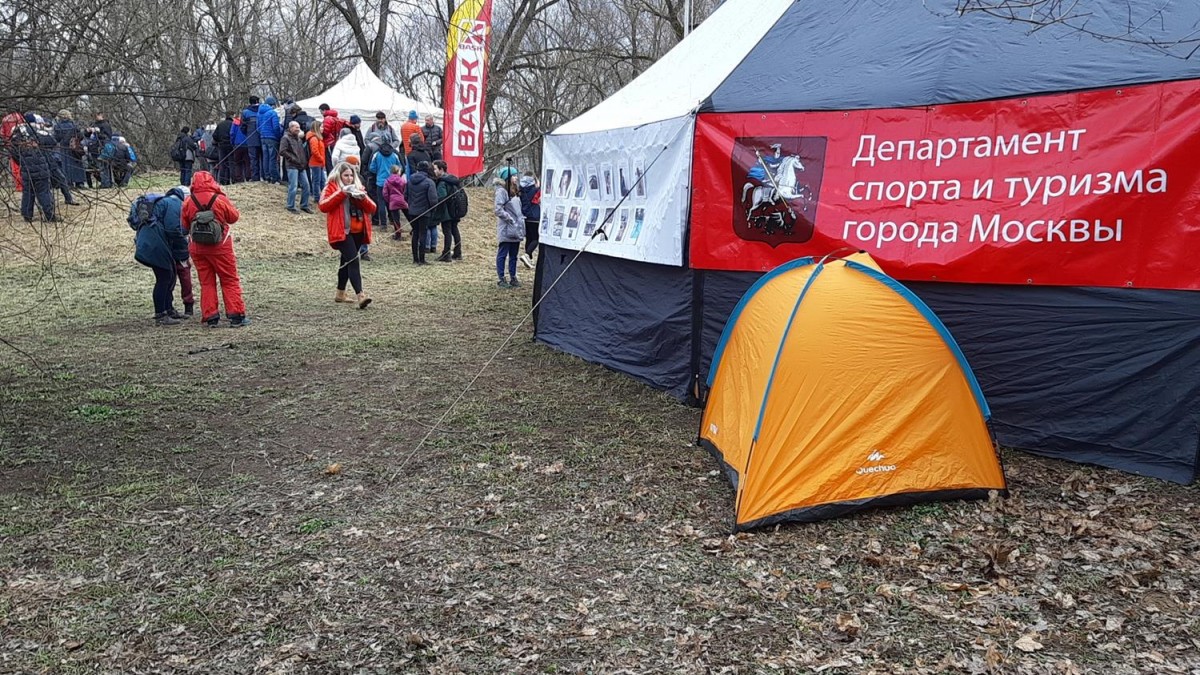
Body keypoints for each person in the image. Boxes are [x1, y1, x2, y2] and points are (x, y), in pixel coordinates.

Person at [180, 171, 249, 327]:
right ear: (212, 181)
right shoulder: (219, 199)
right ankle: (236, 315)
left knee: (206, 282)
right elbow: (234, 217)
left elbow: (183, 227)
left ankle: (210, 316)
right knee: (229, 280)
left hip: (197, 248)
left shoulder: (188, 201)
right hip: (221, 246)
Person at [318, 161, 375, 309]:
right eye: (346, 175)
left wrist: (362, 197)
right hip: (341, 231)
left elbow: (372, 208)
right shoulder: (331, 187)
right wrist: (342, 193)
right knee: (353, 260)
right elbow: (323, 206)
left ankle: (340, 293)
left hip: (358, 231)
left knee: (346, 261)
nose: (349, 178)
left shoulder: (358, 187)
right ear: (339, 175)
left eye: (351, 175)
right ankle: (360, 295)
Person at [129, 188, 190, 325]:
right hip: (155, 242)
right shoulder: (175, 204)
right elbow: (173, 228)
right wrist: (185, 245)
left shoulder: (165, 202)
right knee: (164, 277)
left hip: (149, 241)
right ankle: (160, 315)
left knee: (169, 275)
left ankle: (169, 309)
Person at [12, 115, 56, 222]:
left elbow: (13, 153)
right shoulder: (38, 131)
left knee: (28, 192)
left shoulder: (16, 134)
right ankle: (49, 215)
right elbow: (52, 142)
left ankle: (27, 215)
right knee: (44, 192)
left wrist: (22, 161)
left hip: (26, 168)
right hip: (41, 167)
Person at [494, 166, 525, 287]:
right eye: (513, 176)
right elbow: (498, 209)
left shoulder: (515, 190)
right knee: (503, 253)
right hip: (507, 228)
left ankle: (513, 276)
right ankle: (501, 278)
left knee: (514, 255)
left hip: (516, 227)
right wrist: (510, 219)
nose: (516, 178)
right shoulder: (501, 191)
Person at [406, 161, 438, 265]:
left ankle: (415, 259)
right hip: (425, 212)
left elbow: (405, 196)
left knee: (415, 233)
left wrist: (411, 206)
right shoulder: (429, 182)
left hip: (412, 211)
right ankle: (422, 259)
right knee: (423, 234)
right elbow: (433, 200)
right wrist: (432, 210)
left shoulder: (410, 181)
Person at [279, 121, 313, 213]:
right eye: (296, 127)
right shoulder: (285, 138)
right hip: (292, 166)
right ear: (291, 128)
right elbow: (282, 151)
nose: (298, 129)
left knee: (306, 186)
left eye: (298, 127)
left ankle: (304, 205)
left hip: (301, 165)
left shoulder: (298, 138)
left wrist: (304, 161)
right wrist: (293, 158)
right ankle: (290, 206)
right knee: (293, 187)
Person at [433, 160, 463, 262]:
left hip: (446, 211)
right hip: (455, 209)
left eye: (435, 169)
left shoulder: (442, 182)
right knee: (455, 230)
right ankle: (458, 252)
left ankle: (446, 254)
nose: (434, 171)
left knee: (447, 232)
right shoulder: (452, 179)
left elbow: (442, 197)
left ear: (441, 169)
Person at [367, 142, 401, 229]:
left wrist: (378, 172)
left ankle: (383, 224)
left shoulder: (377, 155)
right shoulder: (394, 155)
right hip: (392, 182)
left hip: (380, 182)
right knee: (392, 202)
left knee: (381, 202)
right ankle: (394, 222)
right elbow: (400, 166)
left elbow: (371, 168)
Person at [52, 109, 86, 189]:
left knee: (66, 166)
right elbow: (81, 136)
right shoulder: (74, 125)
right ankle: (80, 183)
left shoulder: (57, 126)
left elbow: (57, 138)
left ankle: (69, 183)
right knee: (77, 165)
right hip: (75, 147)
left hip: (64, 148)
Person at [518, 171, 541, 269]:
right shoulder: (535, 190)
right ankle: (527, 254)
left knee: (529, 238)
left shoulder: (521, 190)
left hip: (525, 217)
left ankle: (529, 259)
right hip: (535, 217)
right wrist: (538, 185)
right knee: (536, 238)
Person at [258, 96, 283, 183]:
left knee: (265, 157)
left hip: (262, 137)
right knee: (272, 158)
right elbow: (276, 127)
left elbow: (258, 127)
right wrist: (278, 136)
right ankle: (274, 177)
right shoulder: (273, 113)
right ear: (273, 105)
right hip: (272, 138)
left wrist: (262, 134)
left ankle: (266, 176)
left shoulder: (259, 113)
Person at [381, 164, 408, 241]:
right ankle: (415, 229)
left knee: (396, 219)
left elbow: (385, 193)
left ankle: (398, 235)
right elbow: (405, 190)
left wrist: (389, 200)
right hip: (402, 199)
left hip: (393, 201)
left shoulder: (387, 181)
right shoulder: (402, 180)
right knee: (409, 216)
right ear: (398, 171)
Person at [320, 104, 347, 169]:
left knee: (329, 163)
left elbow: (325, 132)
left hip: (328, 143)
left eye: (321, 111)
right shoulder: (336, 118)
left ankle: (331, 174)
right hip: (335, 141)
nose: (321, 113)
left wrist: (320, 132)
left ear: (324, 110)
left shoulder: (327, 119)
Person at [241, 96, 261, 181]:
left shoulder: (245, 112)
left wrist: (247, 133)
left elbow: (242, 127)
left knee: (253, 159)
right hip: (262, 137)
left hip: (251, 138)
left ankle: (255, 177)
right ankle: (265, 177)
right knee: (264, 158)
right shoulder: (262, 111)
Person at [306, 120, 326, 197]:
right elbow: (315, 151)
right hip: (316, 162)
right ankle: (317, 196)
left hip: (319, 162)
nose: (323, 128)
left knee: (321, 180)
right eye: (321, 127)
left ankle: (323, 195)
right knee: (317, 180)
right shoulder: (314, 138)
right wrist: (321, 159)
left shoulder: (318, 138)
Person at [213, 112, 234, 185]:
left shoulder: (220, 124)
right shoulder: (233, 124)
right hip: (230, 145)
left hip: (221, 145)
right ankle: (232, 180)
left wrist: (219, 141)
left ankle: (222, 180)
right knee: (231, 163)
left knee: (222, 163)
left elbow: (214, 135)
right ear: (231, 116)